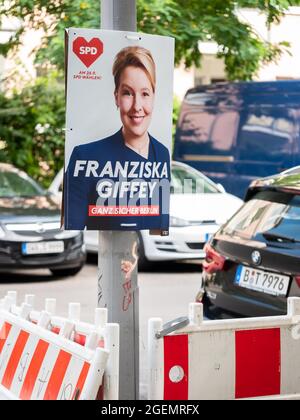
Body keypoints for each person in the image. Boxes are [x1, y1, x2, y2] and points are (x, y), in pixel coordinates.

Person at [64, 46, 170, 231]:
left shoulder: (161, 154)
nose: (137, 106)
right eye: (128, 93)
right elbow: (73, 229)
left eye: (145, 94)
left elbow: (158, 227)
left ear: (154, 97)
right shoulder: (85, 156)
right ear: (116, 98)